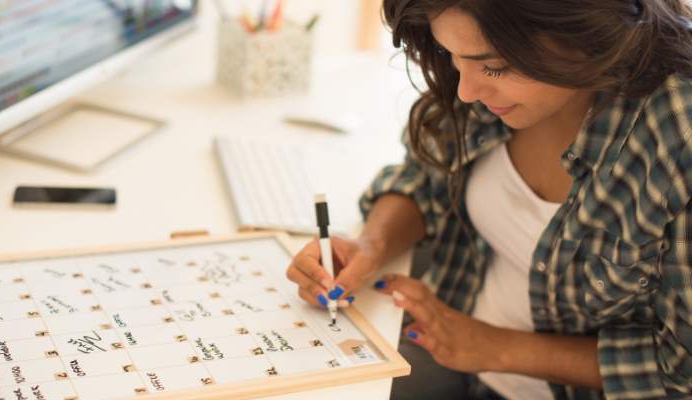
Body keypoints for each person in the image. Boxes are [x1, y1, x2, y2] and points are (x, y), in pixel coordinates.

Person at [285, 0, 692, 399]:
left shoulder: (678, 136)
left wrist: (491, 346)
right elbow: (423, 178)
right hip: (454, 343)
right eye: (451, 54)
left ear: (585, 30)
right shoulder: (481, 83)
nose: (466, 91)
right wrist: (371, 244)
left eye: (495, 65)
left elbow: (682, 371)